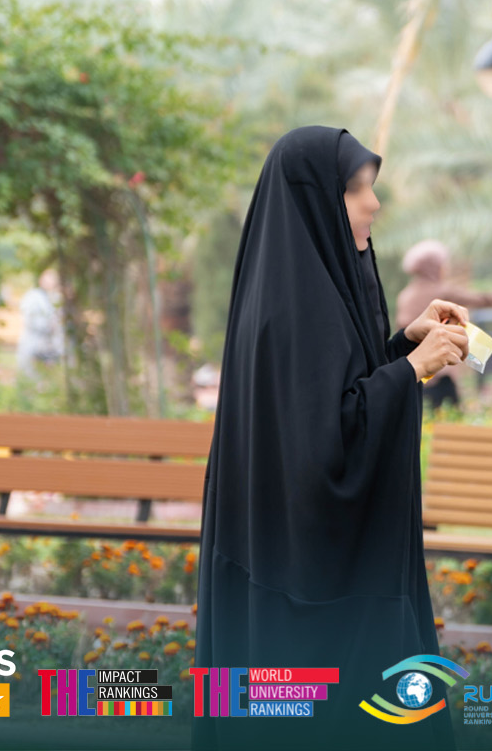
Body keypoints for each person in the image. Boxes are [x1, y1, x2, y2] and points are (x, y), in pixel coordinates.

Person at [194, 126, 469, 750]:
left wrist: (402, 346)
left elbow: (336, 393)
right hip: (312, 590)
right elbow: (324, 445)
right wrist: (413, 370)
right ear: (314, 201)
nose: (374, 203)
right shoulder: (296, 309)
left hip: (294, 568)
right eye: (356, 189)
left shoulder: (308, 286)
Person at [396, 241, 492, 408]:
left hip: (413, 371)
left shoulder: (405, 295)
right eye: (442, 264)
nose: (446, 268)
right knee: (449, 415)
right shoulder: (441, 291)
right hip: (439, 374)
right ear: (433, 266)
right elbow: (482, 299)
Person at [14, 269, 66, 381]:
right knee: (30, 373)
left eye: (52, 279)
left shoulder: (57, 297)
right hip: (33, 339)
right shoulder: (32, 296)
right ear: (41, 280)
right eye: (46, 279)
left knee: (51, 373)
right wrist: (46, 325)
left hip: (52, 342)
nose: (49, 282)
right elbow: (29, 317)